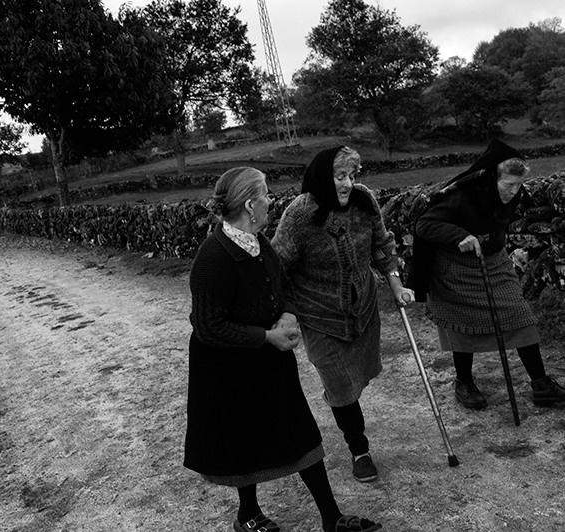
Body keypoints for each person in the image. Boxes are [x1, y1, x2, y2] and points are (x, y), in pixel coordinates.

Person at [185, 166, 382, 532]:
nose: (270, 200)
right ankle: (248, 514)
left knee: (302, 434)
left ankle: (332, 518)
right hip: (229, 370)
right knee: (245, 442)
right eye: (265, 195)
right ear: (249, 203)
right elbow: (207, 326)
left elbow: (283, 284)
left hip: (271, 361)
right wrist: (266, 337)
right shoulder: (213, 259)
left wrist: (289, 316)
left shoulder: (259, 244)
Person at [271, 146, 414, 484]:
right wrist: (287, 312)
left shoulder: (364, 202)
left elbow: (382, 245)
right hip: (319, 317)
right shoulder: (300, 214)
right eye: (340, 177)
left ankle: (355, 432)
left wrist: (396, 285)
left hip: (362, 308)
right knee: (339, 388)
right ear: (323, 178)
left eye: (352, 175)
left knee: (357, 379)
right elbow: (278, 267)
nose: (349, 183)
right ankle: (359, 448)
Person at [408, 138, 565, 409]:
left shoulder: (512, 193)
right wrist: (460, 235)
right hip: (455, 266)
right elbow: (425, 225)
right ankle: (464, 382)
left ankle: (540, 384)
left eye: (518, 185)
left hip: (493, 261)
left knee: (519, 314)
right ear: (493, 177)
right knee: (462, 321)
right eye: (509, 184)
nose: (514, 191)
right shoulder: (461, 195)